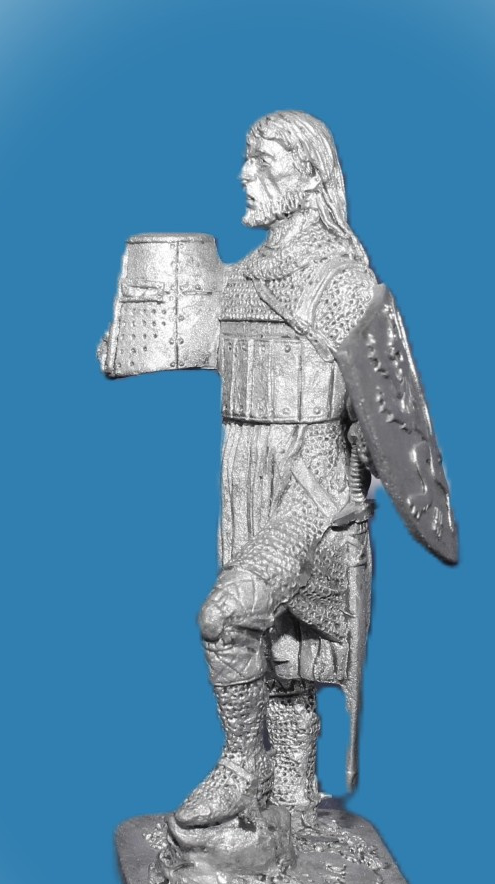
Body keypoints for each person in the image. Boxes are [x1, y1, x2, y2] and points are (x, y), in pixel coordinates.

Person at [173, 111, 380, 829]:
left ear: (311, 176)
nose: (245, 174)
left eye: (264, 161)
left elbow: (379, 409)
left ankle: (244, 764)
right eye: (247, 158)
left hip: (309, 483)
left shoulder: (342, 283)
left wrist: (360, 485)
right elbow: (218, 348)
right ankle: (292, 802)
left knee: (225, 616)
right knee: (278, 644)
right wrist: (136, 346)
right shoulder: (244, 276)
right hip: (244, 471)